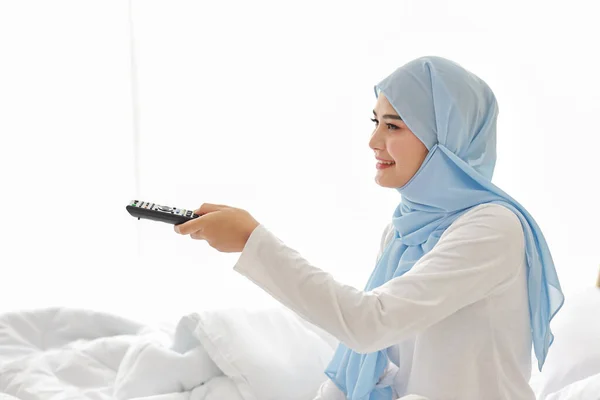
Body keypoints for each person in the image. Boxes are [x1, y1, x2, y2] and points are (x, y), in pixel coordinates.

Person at [174, 56, 565, 400]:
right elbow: (377, 357)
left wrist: (251, 241)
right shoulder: (404, 231)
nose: (373, 140)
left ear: (446, 138)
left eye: (394, 126)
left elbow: (370, 323)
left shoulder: (492, 227)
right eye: (376, 122)